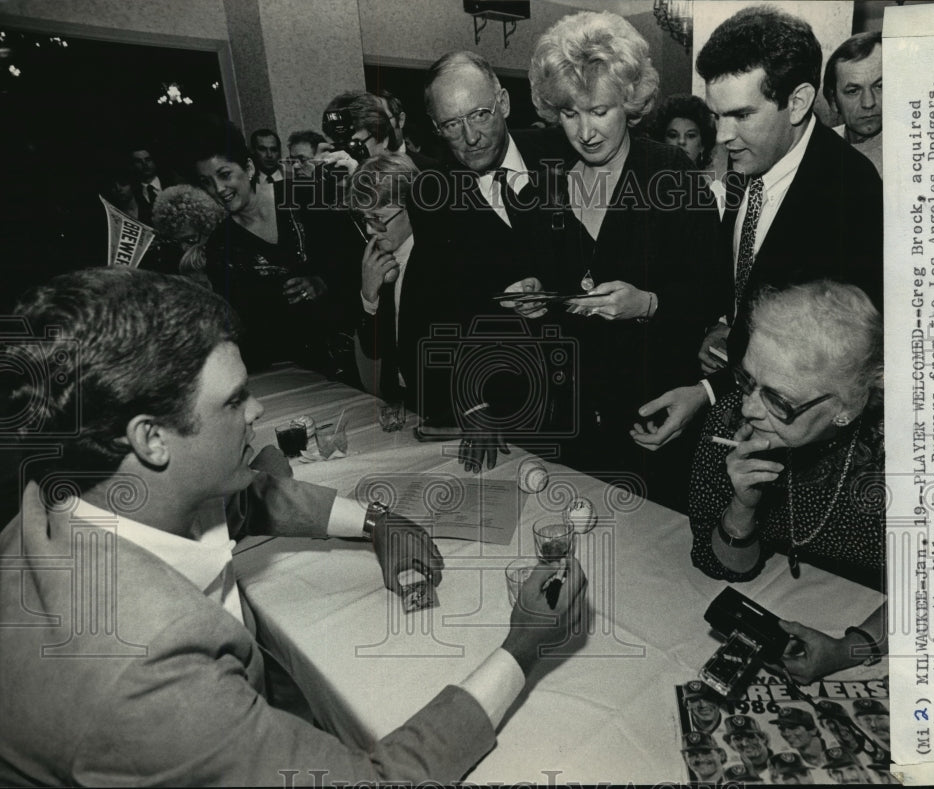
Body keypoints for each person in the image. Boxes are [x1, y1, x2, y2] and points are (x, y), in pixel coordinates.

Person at [0, 267, 587, 785]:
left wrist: (376, 521)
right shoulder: (142, 672)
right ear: (150, 438)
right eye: (233, 402)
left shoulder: (84, 495)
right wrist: (523, 645)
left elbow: (247, 502)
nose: (256, 412)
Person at [632, 5, 882, 456]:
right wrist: (720, 331)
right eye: (718, 116)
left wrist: (712, 391)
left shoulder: (853, 193)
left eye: (742, 115)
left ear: (799, 102)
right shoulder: (751, 163)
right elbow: (746, 287)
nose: (724, 137)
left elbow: (833, 361)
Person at [503, 11, 722, 509]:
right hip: (572, 421)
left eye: (600, 110)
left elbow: (712, 299)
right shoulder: (545, 182)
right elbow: (551, 284)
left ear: (630, 100)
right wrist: (534, 293)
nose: (585, 131)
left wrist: (647, 304)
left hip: (652, 420)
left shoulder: (675, 178)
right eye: (568, 114)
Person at [688, 281, 886, 683]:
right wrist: (742, 507)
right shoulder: (732, 421)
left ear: (845, 407)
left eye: (778, 399)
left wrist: (847, 651)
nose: (748, 407)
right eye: (747, 380)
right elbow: (722, 566)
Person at [398, 50, 574, 458]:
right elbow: (429, 314)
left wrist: (553, 289)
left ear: (504, 104)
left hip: (597, 388)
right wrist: (471, 404)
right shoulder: (431, 197)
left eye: (479, 114)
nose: (470, 137)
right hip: (508, 409)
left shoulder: (564, 154)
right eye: (451, 125)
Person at [183, 119, 342, 373]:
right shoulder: (220, 246)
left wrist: (322, 281)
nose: (218, 189)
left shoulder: (302, 194)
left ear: (247, 168)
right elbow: (242, 325)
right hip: (288, 370)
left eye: (224, 175)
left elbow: (350, 255)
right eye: (207, 182)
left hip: (347, 346)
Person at [349, 152, 419, 402]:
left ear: (411, 208)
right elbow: (374, 348)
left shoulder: (442, 258)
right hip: (400, 398)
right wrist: (369, 296)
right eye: (365, 219)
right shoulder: (377, 260)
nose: (369, 230)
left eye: (377, 219)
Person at [824, 32, 883, 177]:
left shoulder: (914, 148)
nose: (868, 103)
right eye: (853, 91)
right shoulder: (820, 147)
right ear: (833, 101)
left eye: (880, 86)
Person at [150, 183, 225, 287]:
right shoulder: (171, 262)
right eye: (176, 242)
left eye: (190, 240)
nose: (183, 248)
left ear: (207, 229)